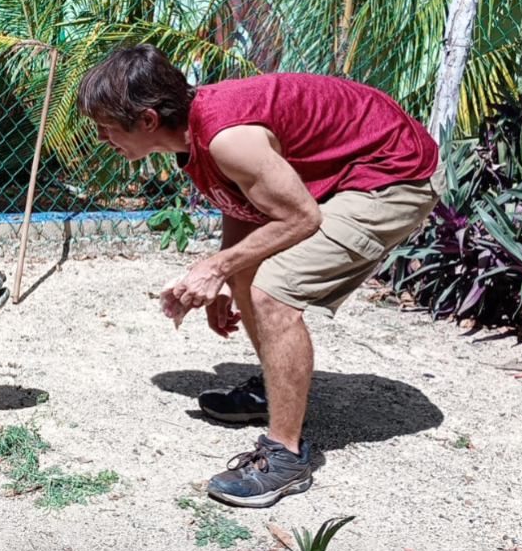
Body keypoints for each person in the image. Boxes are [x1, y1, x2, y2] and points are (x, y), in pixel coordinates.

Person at [76, 43, 444, 508]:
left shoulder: (228, 137)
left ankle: (285, 457)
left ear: (148, 119)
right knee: (249, 273)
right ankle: (276, 391)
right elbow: (243, 201)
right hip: (352, 170)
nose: (102, 137)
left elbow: (301, 217)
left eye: (106, 126)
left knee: (274, 292)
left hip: (394, 175)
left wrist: (216, 267)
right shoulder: (196, 135)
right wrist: (229, 273)